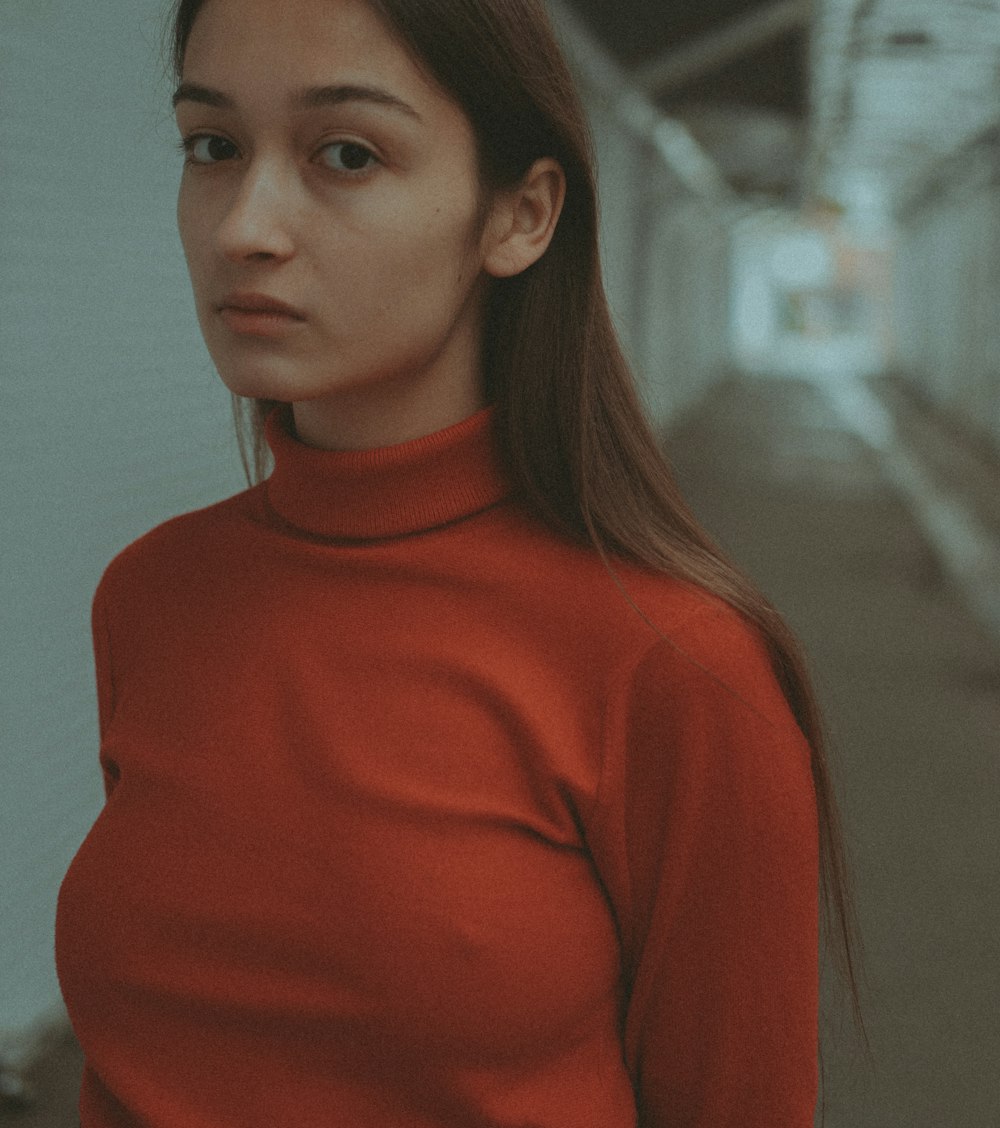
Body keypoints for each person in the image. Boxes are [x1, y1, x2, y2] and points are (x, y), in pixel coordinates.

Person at [55, 0, 861, 1124]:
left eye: (346, 153)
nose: (245, 224)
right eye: (213, 146)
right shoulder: (152, 598)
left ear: (520, 215)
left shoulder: (677, 667)